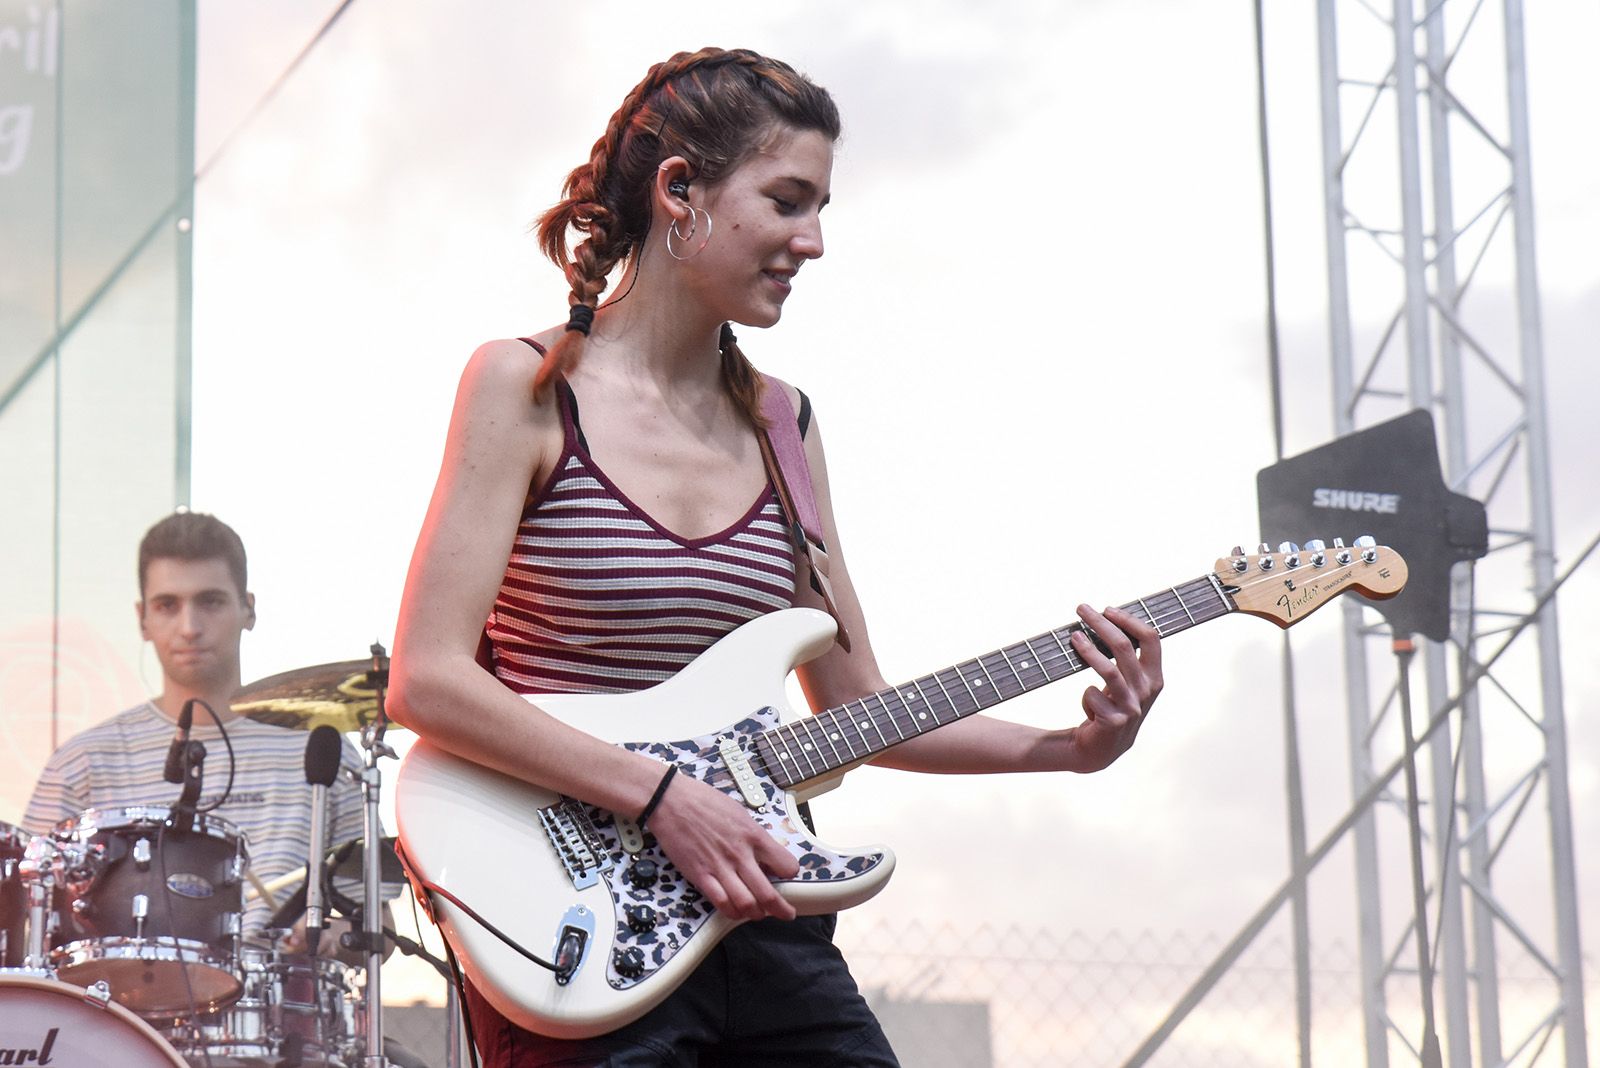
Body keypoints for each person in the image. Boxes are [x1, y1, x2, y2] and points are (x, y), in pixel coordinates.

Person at [388, 46, 1163, 1067]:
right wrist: (662, 797)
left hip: (762, 913)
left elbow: (855, 714)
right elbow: (426, 681)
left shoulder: (784, 425)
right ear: (681, 193)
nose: (814, 240)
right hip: (570, 925)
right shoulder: (524, 386)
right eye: (789, 200)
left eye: (822, 207)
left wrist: (1074, 748)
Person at [22, 511, 380, 959]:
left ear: (248, 608)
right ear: (142, 619)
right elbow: (23, 911)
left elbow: (375, 922)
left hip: (276, 1017)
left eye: (210, 601)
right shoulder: (83, 763)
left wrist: (331, 939)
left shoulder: (320, 752)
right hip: (115, 1016)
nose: (189, 627)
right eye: (167, 605)